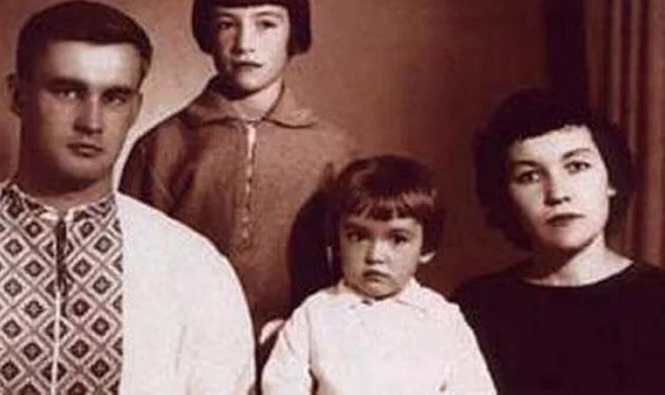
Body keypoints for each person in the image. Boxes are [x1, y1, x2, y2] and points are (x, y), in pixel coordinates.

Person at [0, 0, 254, 394]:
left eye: (115, 97)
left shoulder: (193, 269)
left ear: (135, 109)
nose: (92, 122)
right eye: (67, 92)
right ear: (18, 96)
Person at [119, 0, 356, 347]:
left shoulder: (334, 150)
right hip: (186, 347)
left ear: (294, 33)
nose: (245, 44)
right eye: (227, 24)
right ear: (206, 35)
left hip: (303, 351)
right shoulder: (162, 145)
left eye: (266, 24)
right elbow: (134, 269)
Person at [454, 88, 665, 395]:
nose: (557, 193)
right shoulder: (475, 307)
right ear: (504, 196)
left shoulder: (658, 300)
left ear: (611, 180)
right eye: (529, 176)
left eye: (576, 167)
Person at [262, 155, 496, 394]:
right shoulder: (315, 314)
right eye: (358, 236)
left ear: (426, 248)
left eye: (397, 239)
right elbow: (281, 386)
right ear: (336, 240)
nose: (375, 255)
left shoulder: (443, 319)